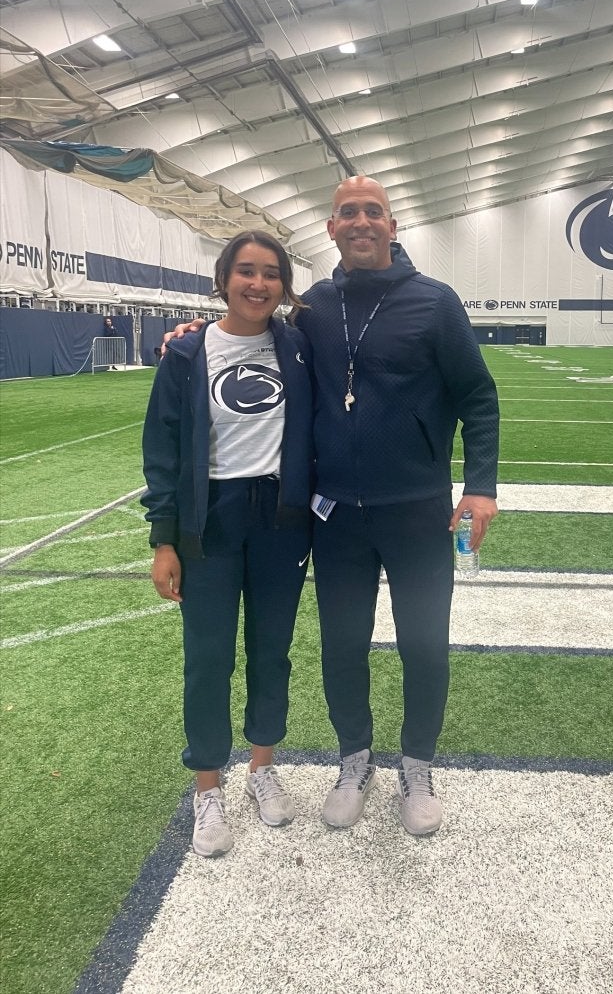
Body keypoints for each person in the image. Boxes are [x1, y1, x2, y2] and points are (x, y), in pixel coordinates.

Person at [165, 177, 499, 837]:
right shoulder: (312, 309)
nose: (361, 221)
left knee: (423, 644)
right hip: (335, 516)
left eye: (373, 211)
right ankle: (354, 761)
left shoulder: (435, 303)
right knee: (342, 646)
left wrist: (481, 485)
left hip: (417, 511)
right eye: (349, 212)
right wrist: (192, 335)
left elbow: (478, 397)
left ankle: (417, 767)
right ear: (331, 228)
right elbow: (250, 335)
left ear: (392, 225)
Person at [142, 230, 314, 857]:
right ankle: (207, 786)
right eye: (245, 271)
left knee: (272, 651)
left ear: (284, 285)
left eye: (271, 273)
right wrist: (165, 539)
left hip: (281, 518)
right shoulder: (187, 354)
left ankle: (262, 767)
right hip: (210, 519)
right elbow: (161, 451)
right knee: (208, 657)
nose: (257, 284)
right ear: (223, 278)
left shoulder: (299, 346)